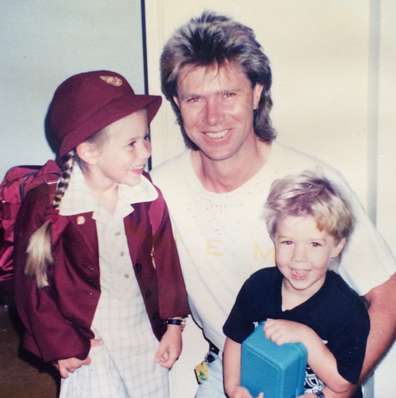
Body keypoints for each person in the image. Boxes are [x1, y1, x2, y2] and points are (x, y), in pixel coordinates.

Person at [150, 10, 396, 398]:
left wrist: (339, 390)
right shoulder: (159, 189)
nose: (212, 116)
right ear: (177, 104)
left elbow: (388, 293)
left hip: (318, 376)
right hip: (233, 369)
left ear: (257, 93)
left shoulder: (312, 183)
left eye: (228, 94)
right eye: (195, 98)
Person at [13, 70, 189, 398]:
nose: (146, 152)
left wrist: (174, 327)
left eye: (146, 137)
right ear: (89, 152)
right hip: (89, 341)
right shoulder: (49, 203)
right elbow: (31, 286)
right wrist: (62, 344)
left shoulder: (146, 197)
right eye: (132, 144)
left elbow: (168, 267)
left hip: (143, 337)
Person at [223, 171, 370, 398]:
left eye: (315, 244)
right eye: (288, 242)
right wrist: (234, 388)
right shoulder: (257, 286)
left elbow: (342, 384)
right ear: (274, 239)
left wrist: (306, 338)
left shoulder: (348, 309)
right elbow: (235, 339)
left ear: (337, 247)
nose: (299, 257)